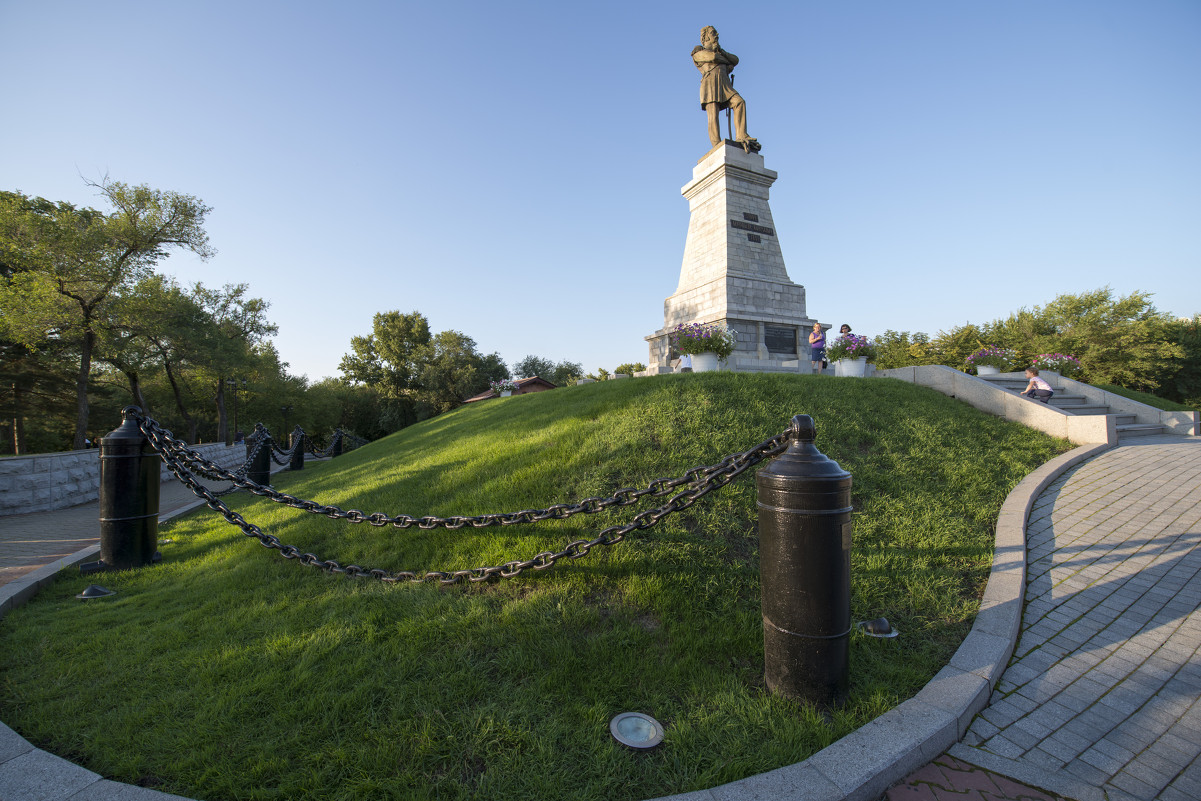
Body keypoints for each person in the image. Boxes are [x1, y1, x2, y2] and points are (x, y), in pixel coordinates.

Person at [692, 26, 759, 151]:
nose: (716, 35)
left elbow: (735, 60)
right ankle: (716, 144)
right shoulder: (698, 52)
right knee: (713, 114)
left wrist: (722, 52)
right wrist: (724, 60)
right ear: (705, 37)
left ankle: (741, 135)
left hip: (724, 84)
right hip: (710, 85)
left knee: (739, 102)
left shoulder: (720, 51)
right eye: (713, 33)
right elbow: (712, 57)